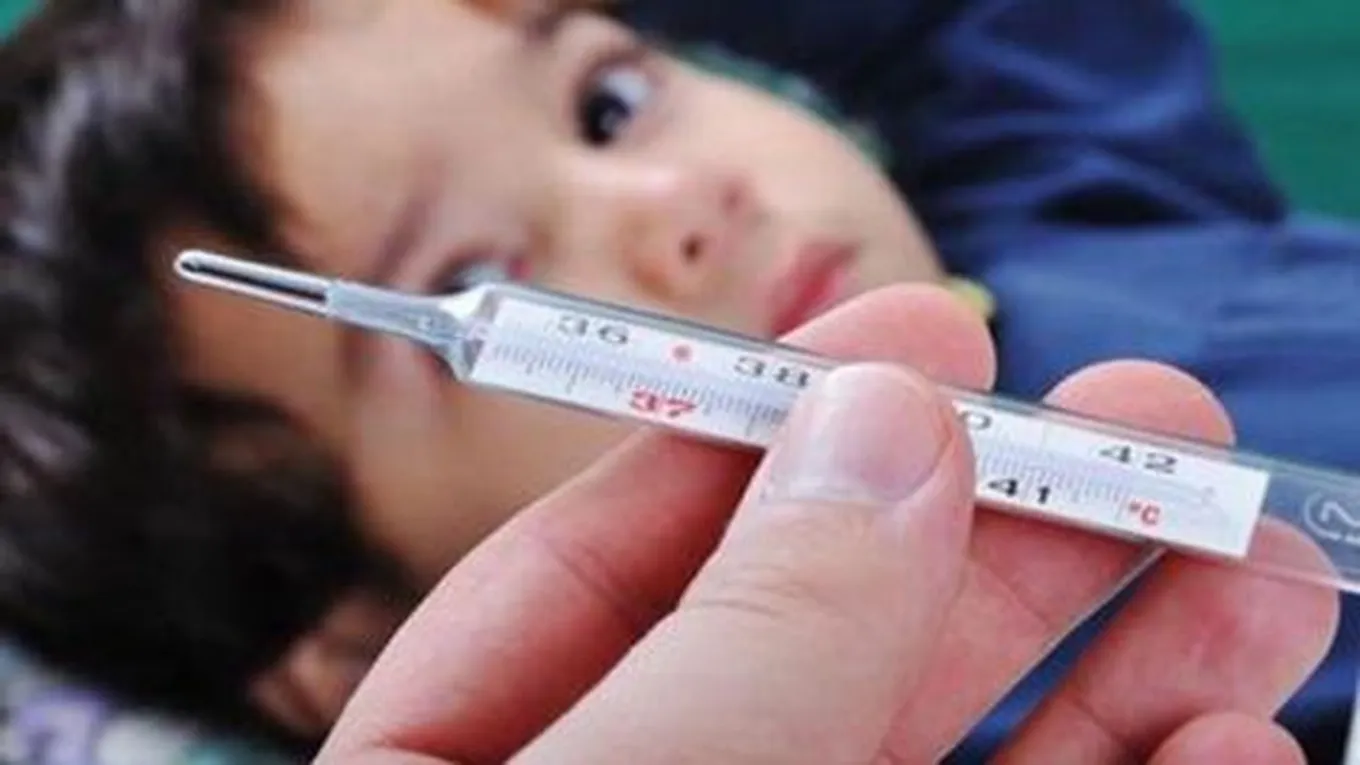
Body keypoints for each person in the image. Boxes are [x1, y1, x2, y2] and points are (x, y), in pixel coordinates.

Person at [0, 0, 1351, 761]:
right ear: (354, 650)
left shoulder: (1075, 196)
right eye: (473, 272)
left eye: (608, 104)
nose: (675, 207)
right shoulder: (939, 727)